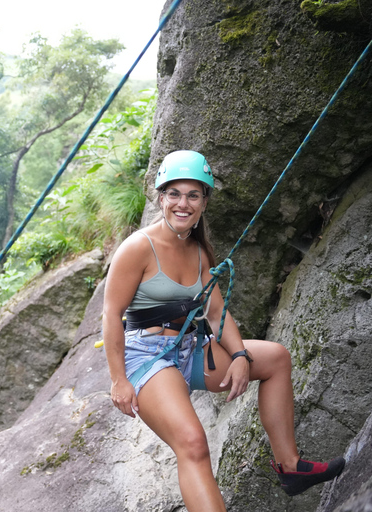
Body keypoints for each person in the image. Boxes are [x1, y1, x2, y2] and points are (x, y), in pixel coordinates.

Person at [101, 150, 345, 511]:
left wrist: (242, 356)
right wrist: (118, 379)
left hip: (188, 348)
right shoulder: (139, 247)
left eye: (193, 195)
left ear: (204, 202)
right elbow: (111, 314)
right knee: (193, 443)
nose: (183, 203)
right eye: (174, 194)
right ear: (161, 197)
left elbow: (216, 313)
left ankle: (291, 467)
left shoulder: (199, 251)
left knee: (275, 358)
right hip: (146, 357)